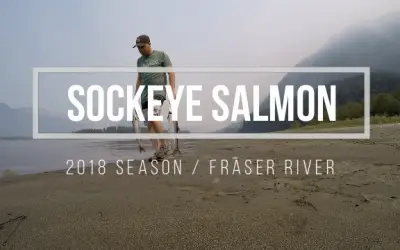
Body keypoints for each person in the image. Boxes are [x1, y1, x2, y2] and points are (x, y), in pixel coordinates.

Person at [133, 34, 175, 161]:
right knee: (149, 125)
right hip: (144, 96)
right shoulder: (139, 61)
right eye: (138, 47)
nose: (140, 49)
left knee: (153, 116)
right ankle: (158, 152)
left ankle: (165, 146)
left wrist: (172, 89)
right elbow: (139, 79)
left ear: (149, 44)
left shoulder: (161, 55)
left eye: (142, 46)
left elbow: (171, 73)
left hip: (158, 92)